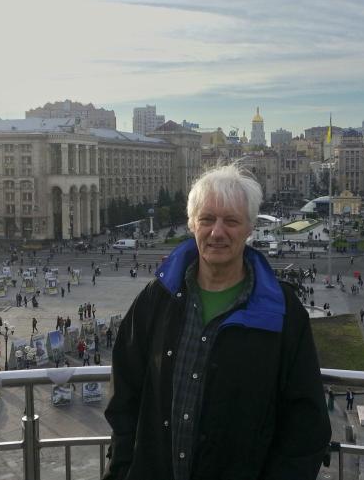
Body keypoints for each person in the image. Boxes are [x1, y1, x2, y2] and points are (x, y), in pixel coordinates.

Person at [103, 164, 331, 480]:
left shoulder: (281, 311)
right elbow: (124, 394)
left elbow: (306, 421)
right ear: (192, 223)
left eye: (232, 221)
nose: (217, 232)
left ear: (250, 227)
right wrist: (122, 470)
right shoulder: (158, 297)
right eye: (207, 219)